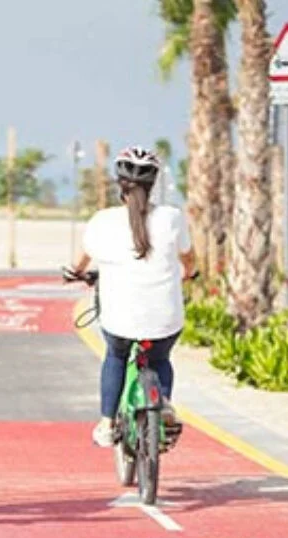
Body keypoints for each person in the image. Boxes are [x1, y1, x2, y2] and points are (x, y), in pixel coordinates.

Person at [64, 145, 198, 449]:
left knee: (116, 355)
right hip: (165, 317)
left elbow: (79, 263)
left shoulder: (102, 221)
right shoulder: (171, 218)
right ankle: (162, 403)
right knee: (160, 357)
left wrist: (74, 273)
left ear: (119, 183)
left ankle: (107, 423)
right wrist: (189, 273)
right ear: (153, 183)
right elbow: (189, 259)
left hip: (120, 319)